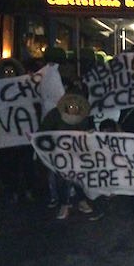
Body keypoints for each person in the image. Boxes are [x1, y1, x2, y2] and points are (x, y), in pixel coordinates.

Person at [39, 90, 95, 219]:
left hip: (78, 153)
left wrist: (90, 133)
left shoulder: (84, 117)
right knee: (63, 179)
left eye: (76, 107)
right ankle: (64, 205)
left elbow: (89, 131)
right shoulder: (54, 115)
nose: (73, 109)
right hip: (60, 154)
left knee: (79, 178)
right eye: (71, 107)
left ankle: (82, 202)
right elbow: (43, 131)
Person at [0, 58, 35, 206]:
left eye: (11, 71)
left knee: (27, 165)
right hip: (6, 136)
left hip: (24, 135)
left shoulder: (25, 88)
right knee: (8, 165)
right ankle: (11, 191)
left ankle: (28, 189)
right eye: (6, 72)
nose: (8, 74)